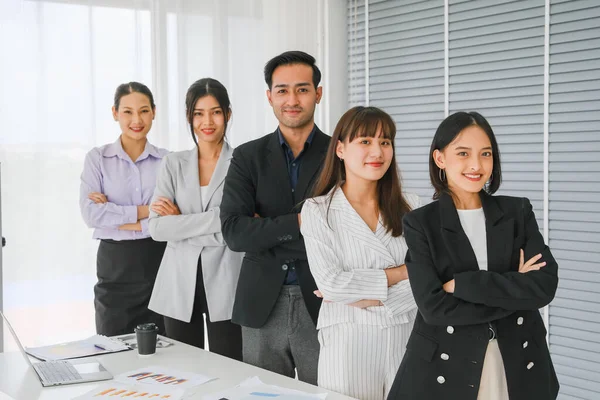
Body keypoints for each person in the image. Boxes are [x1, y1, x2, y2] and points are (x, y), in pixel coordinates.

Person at [387, 111, 559, 400]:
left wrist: (464, 285)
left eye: (486, 154)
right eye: (463, 153)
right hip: (446, 365)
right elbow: (434, 308)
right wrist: (513, 288)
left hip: (515, 361)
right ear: (440, 159)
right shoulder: (420, 223)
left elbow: (544, 287)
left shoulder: (517, 212)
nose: (476, 165)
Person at [220, 51, 330, 384]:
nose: (292, 99)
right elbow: (235, 233)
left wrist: (265, 228)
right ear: (269, 96)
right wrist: (301, 222)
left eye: (302, 89)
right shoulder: (247, 156)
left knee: (325, 392)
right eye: (282, 90)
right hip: (260, 303)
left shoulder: (339, 153)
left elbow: (343, 230)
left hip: (325, 302)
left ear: (318, 93)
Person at [300, 106, 420, 400]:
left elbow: (430, 280)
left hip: (407, 338)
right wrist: (403, 273)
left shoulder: (412, 207)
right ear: (340, 149)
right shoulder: (318, 211)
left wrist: (367, 293)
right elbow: (331, 283)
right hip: (347, 343)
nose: (377, 151)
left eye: (385, 142)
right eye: (365, 141)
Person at [147, 78, 243, 360]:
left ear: (227, 113)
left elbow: (235, 229)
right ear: (190, 117)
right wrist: (217, 220)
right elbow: (157, 228)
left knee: (229, 368)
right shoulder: (173, 164)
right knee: (183, 370)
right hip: (178, 283)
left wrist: (181, 222)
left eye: (215, 112)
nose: (207, 121)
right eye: (199, 113)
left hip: (227, 281)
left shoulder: (242, 163)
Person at [80, 82, 168, 336]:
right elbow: (91, 215)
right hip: (114, 265)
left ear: (153, 112)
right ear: (115, 113)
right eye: (127, 111)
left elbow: (172, 217)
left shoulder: (169, 161)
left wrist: (113, 214)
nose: (136, 119)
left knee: (162, 353)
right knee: (112, 348)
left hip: (158, 260)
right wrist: (145, 211)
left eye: (143, 111)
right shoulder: (97, 158)